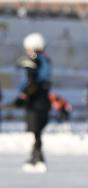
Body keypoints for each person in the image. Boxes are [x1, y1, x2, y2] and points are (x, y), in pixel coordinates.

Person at [15, 33, 52, 172]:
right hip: (42, 100)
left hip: (36, 101)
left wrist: (23, 95)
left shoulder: (35, 60)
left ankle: (37, 157)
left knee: (35, 130)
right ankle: (37, 156)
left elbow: (31, 81)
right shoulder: (46, 60)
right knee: (36, 131)